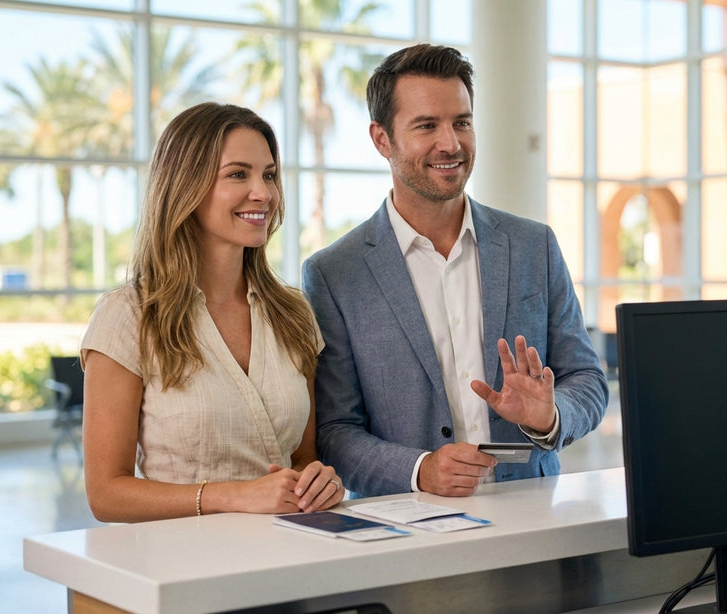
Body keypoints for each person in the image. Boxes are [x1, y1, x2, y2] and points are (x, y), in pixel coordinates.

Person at [302, 44, 608, 498]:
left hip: (534, 520)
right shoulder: (333, 274)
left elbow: (588, 380)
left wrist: (551, 416)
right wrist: (419, 470)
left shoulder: (533, 246)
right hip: (408, 535)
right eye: (427, 125)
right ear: (381, 139)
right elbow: (335, 429)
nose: (451, 143)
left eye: (461, 122)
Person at [81, 102, 345, 523]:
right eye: (238, 174)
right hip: (183, 566)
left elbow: (302, 457)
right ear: (186, 186)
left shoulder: (293, 313)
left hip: (293, 557)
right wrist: (233, 495)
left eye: (269, 175)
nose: (264, 193)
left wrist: (319, 481)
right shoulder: (127, 316)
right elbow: (106, 494)